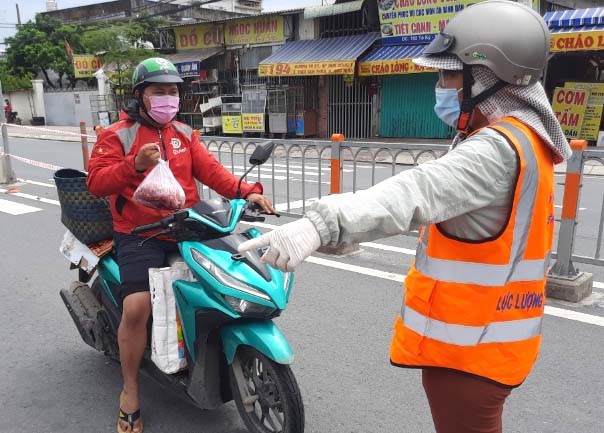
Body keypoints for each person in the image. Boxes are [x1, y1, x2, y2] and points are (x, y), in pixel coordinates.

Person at [238, 2, 571, 433]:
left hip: (471, 353)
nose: (440, 85)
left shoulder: (496, 149)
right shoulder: (526, 140)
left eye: (449, 74)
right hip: (492, 342)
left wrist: (319, 224)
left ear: (488, 77)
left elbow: (414, 191)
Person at [87, 57, 275, 433]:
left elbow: (212, 173)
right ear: (141, 96)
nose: (168, 98)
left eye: (173, 92)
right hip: (141, 235)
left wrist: (248, 192)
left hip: (190, 227)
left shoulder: (184, 134)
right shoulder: (117, 135)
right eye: (159, 91)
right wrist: (133, 166)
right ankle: (131, 392)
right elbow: (96, 182)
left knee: (229, 280)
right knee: (137, 306)